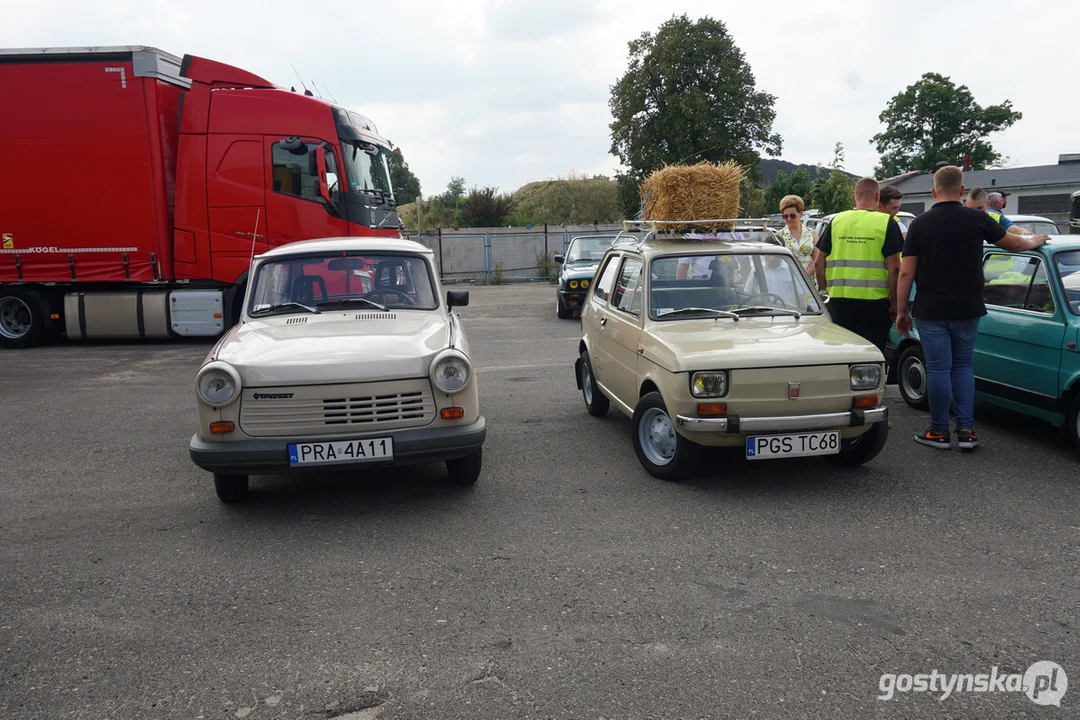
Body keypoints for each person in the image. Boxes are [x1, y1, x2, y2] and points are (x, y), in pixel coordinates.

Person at [895, 165, 1051, 450]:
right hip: (968, 307)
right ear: (962, 191)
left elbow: (906, 273)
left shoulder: (920, 224)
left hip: (931, 309)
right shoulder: (978, 218)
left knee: (939, 369)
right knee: (963, 366)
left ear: (934, 192)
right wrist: (1034, 240)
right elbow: (1013, 243)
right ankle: (966, 431)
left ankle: (939, 432)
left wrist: (901, 311)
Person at [814, 177, 904, 352]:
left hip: (839, 305)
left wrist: (823, 293)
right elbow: (895, 269)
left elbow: (818, 262)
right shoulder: (887, 223)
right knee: (871, 356)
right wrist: (895, 302)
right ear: (878, 197)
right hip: (875, 306)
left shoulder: (837, 221)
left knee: (842, 354)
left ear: (853, 198)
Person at [776, 195, 818, 284]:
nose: (789, 219)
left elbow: (817, 259)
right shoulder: (778, 236)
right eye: (785, 216)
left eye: (792, 216)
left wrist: (806, 274)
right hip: (787, 282)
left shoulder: (812, 234)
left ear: (801, 214)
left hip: (808, 282)